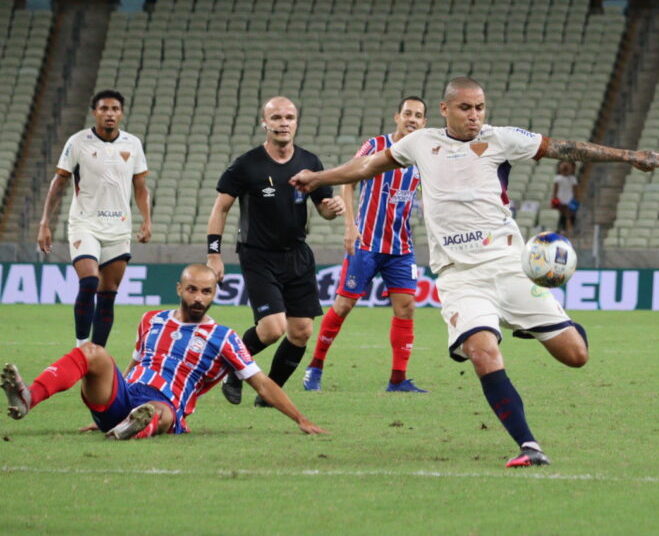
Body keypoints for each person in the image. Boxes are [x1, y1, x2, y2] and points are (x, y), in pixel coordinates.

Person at [290, 77, 659, 468]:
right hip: (460, 276)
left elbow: (563, 147)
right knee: (481, 351)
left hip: (509, 266)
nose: (474, 116)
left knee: (576, 355)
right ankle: (529, 445)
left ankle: (531, 322)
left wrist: (629, 156)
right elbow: (367, 165)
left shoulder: (502, 139)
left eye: (479, 108)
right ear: (445, 109)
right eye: (465, 108)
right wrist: (318, 179)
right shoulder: (421, 143)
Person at [2, 264, 325, 438]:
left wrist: (300, 418)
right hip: (124, 395)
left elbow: (262, 383)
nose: (199, 298)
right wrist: (109, 404)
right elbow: (135, 364)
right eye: (193, 290)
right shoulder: (151, 320)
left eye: (207, 292)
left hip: (167, 404)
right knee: (93, 352)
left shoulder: (224, 338)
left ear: (214, 294)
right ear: (179, 289)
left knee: (161, 411)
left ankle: (132, 426)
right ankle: (29, 396)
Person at [206, 97, 346, 407]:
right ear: (265, 123)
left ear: (296, 122)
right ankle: (234, 369)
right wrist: (213, 253)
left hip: (296, 254)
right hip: (258, 254)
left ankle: (269, 394)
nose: (284, 123)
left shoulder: (310, 162)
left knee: (301, 331)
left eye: (289, 117)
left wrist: (332, 208)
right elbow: (221, 207)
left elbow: (322, 209)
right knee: (271, 329)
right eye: (277, 117)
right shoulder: (247, 164)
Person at [303, 96, 429, 394]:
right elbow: (348, 180)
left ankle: (397, 380)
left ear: (425, 123)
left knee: (406, 308)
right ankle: (315, 367)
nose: (412, 119)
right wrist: (350, 225)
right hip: (366, 242)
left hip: (400, 247)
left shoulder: (424, 158)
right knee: (344, 304)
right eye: (408, 113)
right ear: (397, 116)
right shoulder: (375, 146)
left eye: (418, 116)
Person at [37, 89, 152, 348]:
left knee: (108, 295)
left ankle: (97, 355)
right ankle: (81, 347)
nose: (109, 114)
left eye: (114, 109)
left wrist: (147, 220)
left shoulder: (132, 144)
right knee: (89, 281)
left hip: (118, 228)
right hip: (84, 224)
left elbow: (141, 187)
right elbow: (59, 182)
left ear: (121, 113)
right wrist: (45, 222)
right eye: (104, 109)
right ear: (95, 112)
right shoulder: (78, 142)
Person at [551, 160, 580, 236]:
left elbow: (575, 190)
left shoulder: (572, 179)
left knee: (571, 214)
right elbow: (555, 190)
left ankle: (571, 228)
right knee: (562, 215)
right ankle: (562, 229)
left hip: (569, 198)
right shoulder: (557, 178)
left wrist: (576, 199)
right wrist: (554, 199)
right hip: (560, 198)